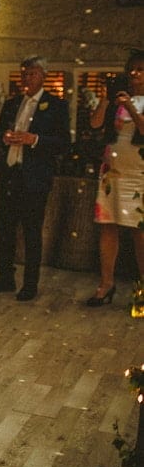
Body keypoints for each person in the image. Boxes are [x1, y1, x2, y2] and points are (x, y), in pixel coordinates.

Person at [0, 56, 70, 301]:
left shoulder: (56, 106)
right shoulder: (11, 104)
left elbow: (63, 143)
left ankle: (30, 284)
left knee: (31, 232)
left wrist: (35, 140)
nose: (26, 78)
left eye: (31, 73)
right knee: (5, 229)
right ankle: (5, 278)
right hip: (10, 174)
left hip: (34, 178)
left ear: (43, 75)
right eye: (23, 74)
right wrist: (5, 137)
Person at [86, 50, 144, 306]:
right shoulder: (119, 96)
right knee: (108, 226)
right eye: (131, 69)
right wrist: (106, 100)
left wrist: (130, 105)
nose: (135, 74)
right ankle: (106, 284)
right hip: (112, 172)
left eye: (140, 69)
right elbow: (96, 124)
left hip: (139, 174)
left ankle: (142, 290)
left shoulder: (135, 102)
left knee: (139, 232)